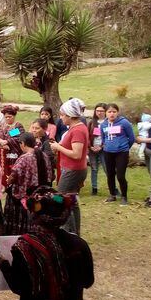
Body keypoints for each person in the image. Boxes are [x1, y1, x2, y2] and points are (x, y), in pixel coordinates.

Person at [50, 98, 89, 235]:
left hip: (72, 171)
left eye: (62, 115)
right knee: (72, 201)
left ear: (70, 115)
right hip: (74, 170)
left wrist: (58, 147)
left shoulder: (77, 130)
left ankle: (68, 232)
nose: (61, 118)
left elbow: (77, 154)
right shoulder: (76, 128)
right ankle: (75, 233)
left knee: (60, 200)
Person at [3, 133, 52, 235]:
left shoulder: (24, 158)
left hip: (23, 197)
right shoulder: (44, 155)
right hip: (40, 193)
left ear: (23, 144)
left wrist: (8, 181)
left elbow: (14, 175)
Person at [100, 103, 135, 205]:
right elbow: (103, 138)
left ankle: (124, 196)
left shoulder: (124, 123)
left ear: (117, 112)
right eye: (109, 112)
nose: (112, 114)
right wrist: (106, 146)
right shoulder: (103, 125)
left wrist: (124, 147)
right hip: (108, 152)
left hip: (121, 153)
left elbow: (131, 138)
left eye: (114, 112)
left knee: (120, 175)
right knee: (110, 174)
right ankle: (112, 195)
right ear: (105, 113)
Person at [0, 105, 26, 186]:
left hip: (13, 152)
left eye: (10, 117)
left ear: (14, 116)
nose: (7, 118)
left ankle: (12, 183)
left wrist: (6, 142)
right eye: (6, 117)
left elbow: (16, 138)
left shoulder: (17, 126)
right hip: (1, 150)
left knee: (11, 167)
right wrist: (1, 142)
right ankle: (2, 183)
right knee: (1, 166)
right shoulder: (1, 125)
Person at [87, 104, 108, 195]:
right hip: (92, 149)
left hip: (104, 149)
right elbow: (87, 136)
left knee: (107, 168)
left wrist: (101, 146)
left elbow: (108, 137)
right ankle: (94, 188)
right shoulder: (91, 122)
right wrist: (90, 146)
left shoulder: (108, 123)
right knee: (94, 168)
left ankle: (113, 187)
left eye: (101, 111)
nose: (99, 113)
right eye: (97, 111)